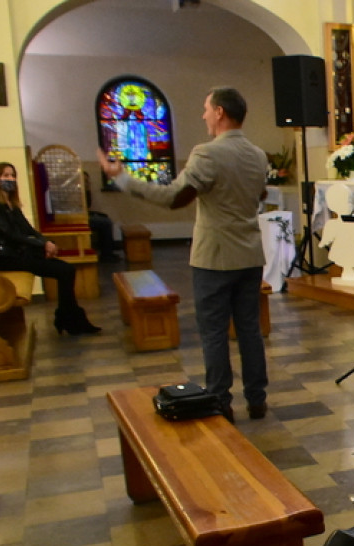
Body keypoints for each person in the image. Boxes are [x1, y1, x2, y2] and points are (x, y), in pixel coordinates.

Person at [97, 87, 267, 421]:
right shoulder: (258, 154)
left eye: (206, 109)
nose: (203, 115)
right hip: (249, 254)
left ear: (219, 112)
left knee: (215, 332)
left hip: (215, 257)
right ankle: (257, 399)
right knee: (250, 329)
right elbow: (258, 194)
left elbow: (173, 197)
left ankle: (220, 400)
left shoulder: (207, 153)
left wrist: (123, 179)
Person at [0, 162, 101, 335]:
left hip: (19, 252)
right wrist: (42, 245)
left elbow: (28, 229)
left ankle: (66, 317)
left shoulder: (11, 204)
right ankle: (67, 319)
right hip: (7, 257)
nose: (10, 179)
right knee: (65, 271)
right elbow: (10, 235)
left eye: (13, 175)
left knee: (66, 270)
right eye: (5, 176)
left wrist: (46, 242)